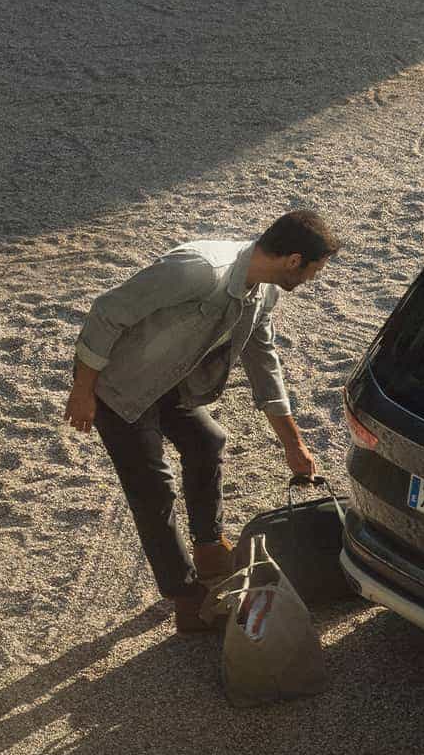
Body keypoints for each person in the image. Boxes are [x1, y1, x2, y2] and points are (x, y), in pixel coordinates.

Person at [66, 211, 337, 632]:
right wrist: (83, 391)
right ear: (294, 260)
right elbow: (107, 311)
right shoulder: (198, 271)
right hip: (119, 388)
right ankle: (186, 596)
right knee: (154, 487)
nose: (312, 280)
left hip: (172, 384)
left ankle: (209, 548)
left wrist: (293, 444)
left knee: (207, 441)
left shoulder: (263, 293)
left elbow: (263, 362)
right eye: (314, 271)